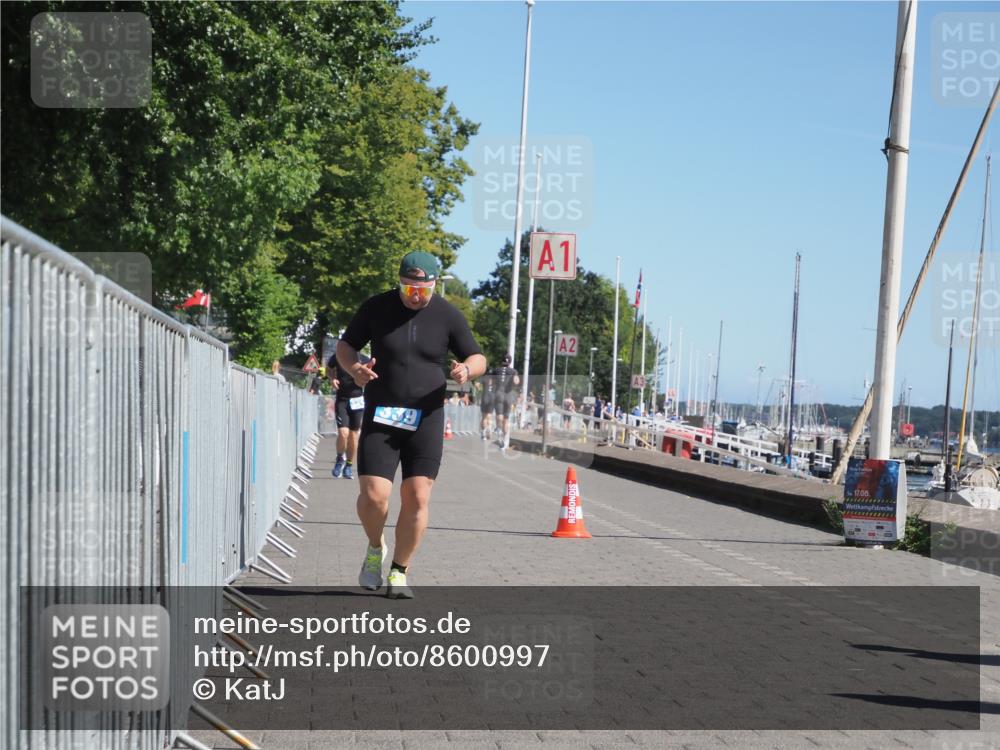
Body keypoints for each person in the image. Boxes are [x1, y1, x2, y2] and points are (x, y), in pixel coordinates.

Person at [337, 251, 486, 599]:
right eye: (408, 289)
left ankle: (399, 570)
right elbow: (346, 346)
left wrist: (467, 369)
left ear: (433, 285)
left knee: (417, 496)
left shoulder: (448, 315)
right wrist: (354, 369)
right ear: (399, 283)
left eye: (422, 290)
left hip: (426, 418)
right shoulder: (376, 307)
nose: (415, 296)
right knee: (374, 496)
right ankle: (375, 548)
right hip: (382, 415)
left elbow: (478, 356)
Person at [327, 342, 370, 480]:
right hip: (342, 400)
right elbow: (328, 368)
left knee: (353, 435)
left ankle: (349, 465)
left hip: (357, 401)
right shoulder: (338, 356)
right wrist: (332, 379)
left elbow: (372, 376)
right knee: (343, 433)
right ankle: (340, 459)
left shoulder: (364, 359)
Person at [489, 353, 520, 440]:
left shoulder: (496, 370)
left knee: (499, 414)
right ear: (510, 362)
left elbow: (490, 383)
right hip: (508, 395)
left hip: (498, 394)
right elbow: (516, 381)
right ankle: (504, 439)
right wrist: (514, 383)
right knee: (506, 419)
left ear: (501, 361)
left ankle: (498, 429)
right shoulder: (513, 371)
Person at [479, 368, 496, 440]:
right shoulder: (495, 380)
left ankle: (483, 434)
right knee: (489, 416)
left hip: (484, 398)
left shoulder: (484, 378)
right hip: (492, 399)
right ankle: (489, 430)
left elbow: (477, 385)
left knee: (484, 417)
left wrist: (481, 390)